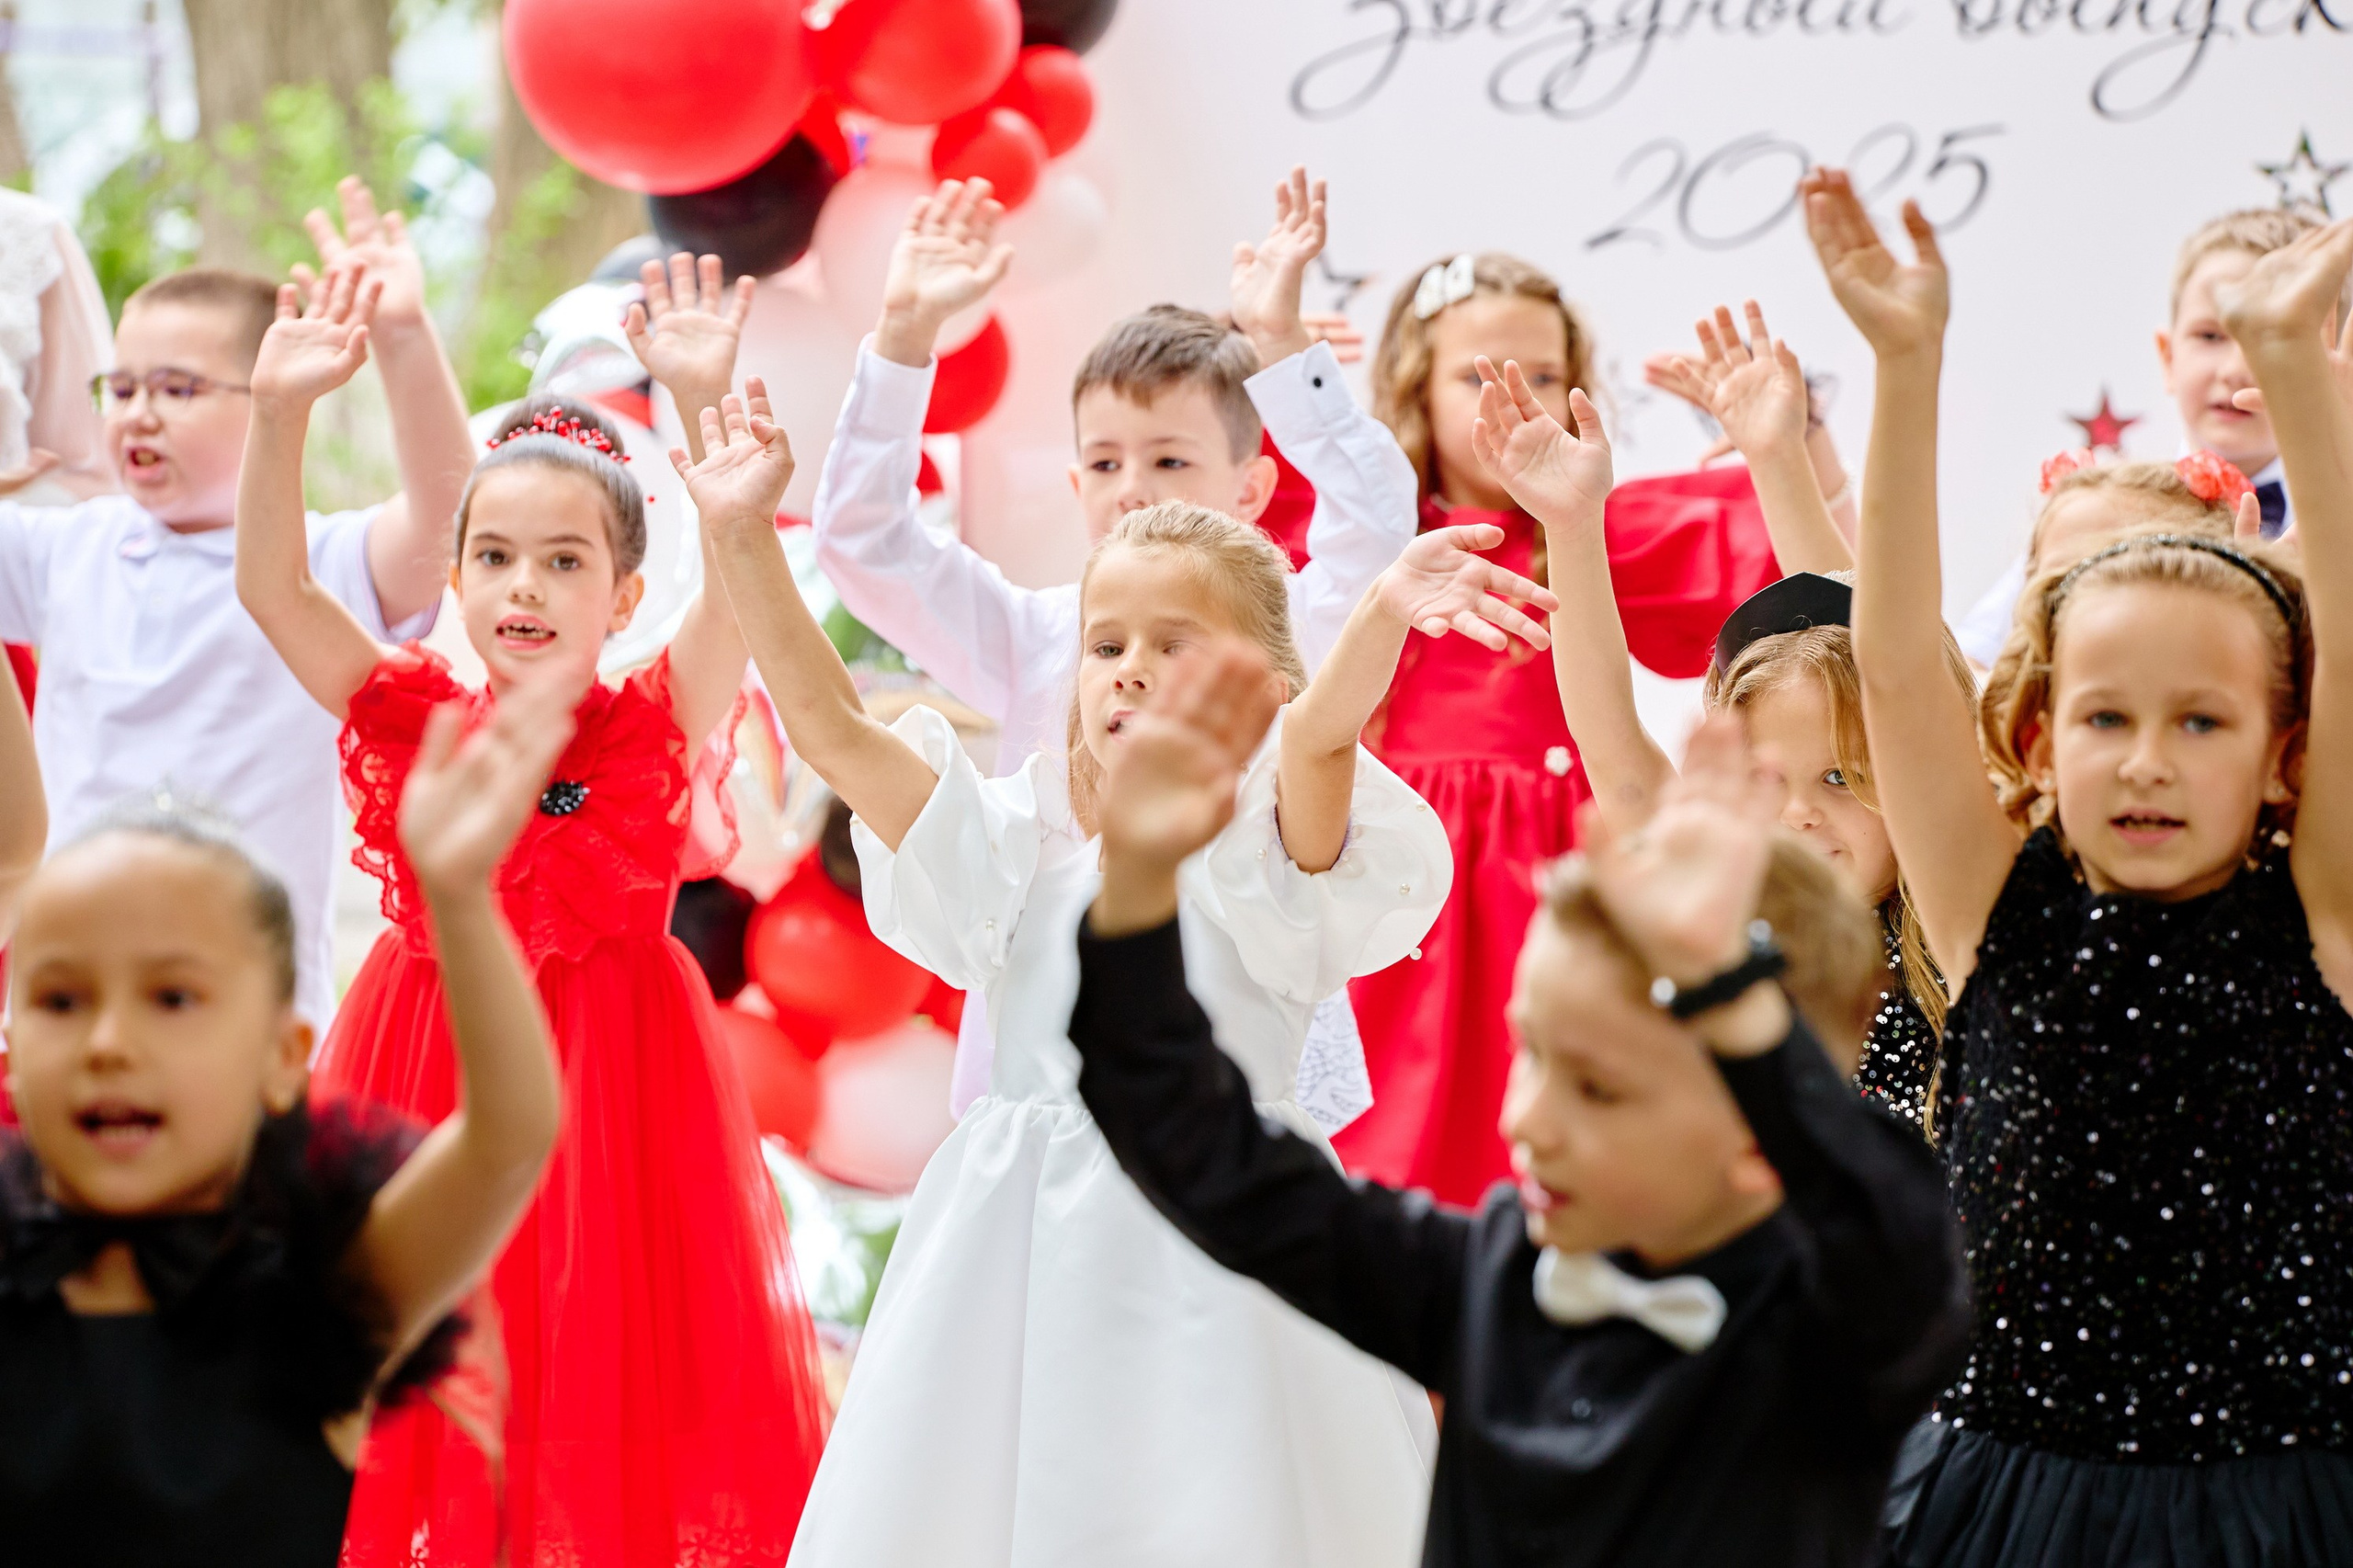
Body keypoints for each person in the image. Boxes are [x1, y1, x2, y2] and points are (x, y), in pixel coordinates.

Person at [687, 375, 1561, 1564]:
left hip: (1233, 1251)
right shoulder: (1009, 842)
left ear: (1259, 682)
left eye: (1176, 645)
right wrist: (740, 531)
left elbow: (1320, 734)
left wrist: (1383, 613)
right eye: (1107, 645)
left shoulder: (1277, 842)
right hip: (1020, 1265)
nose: (1131, 670)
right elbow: (835, 729)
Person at [1065, 639, 1968, 1568]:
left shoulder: (1841, 1318)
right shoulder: (1486, 1278)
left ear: (1759, 1128)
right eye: (1530, 1054)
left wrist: (1729, 991)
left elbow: (1897, 1229)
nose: (1523, 1121)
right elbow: (1202, 1151)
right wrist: (1137, 882)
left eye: (1598, 1087)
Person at [232, 263, 828, 1565]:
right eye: (495, 555)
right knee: (425, 1336)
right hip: (425, 1051)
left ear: (622, 595)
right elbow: (278, 592)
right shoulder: (409, 714)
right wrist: (276, 418)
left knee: (599, 1338)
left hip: (620, 1071)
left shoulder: (655, 720)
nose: (526, 585)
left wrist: (702, 405)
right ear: (453, 575)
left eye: (565, 562)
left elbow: (735, 607)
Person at [1803, 169, 2353, 1562]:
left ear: (2284, 752)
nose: (2150, 759)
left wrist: (2297, 372)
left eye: (2203, 720)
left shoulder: (2323, 919)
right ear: (2041, 735)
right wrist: (1905, 365)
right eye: (2108, 717)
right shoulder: (1996, 913)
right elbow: (1893, 660)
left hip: (2280, 1505)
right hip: (2018, 1503)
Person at [808, 170, 1416, 1119]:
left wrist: (1285, 350)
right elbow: (866, 542)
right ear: (1074, 478)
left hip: (1237, 1049)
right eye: (1104, 461)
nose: (1133, 486)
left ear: (1252, 489)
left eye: (1170, 458)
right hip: (1052, 1052)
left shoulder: (1290, 622)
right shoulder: (1031, 635)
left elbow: (1378, 531)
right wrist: (904, 338)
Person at [0, 665, 576, 1566]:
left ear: (281, 1055)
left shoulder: (327, 1290)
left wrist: (460, 899)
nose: (109, 1040)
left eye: (173, 997)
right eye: (62, 1000)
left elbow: (506, 1139)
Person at [1337, 253, 1788, 1205]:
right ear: (1415, 384)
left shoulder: (1596, 529)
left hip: (1549, 885)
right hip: (1403, 884)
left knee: (1545, 1123)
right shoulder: (1371, 536)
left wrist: (1792, 450)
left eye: (1543, 375)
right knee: (1388, 1140)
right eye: (1477, 374)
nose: (1515, 395)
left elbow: (1799, 566)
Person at [1472, 303, 1973, 1128]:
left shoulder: (1963, 914)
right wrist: (1569, 524)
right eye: (1772, 782)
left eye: (1843, 777)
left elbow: (1884, 661)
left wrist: (1779, 460)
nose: (1802, 814)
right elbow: (1611, 736)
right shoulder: (1730, 915)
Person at [0, 178, 470, 1033]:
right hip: (74, 992)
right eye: (124, 388)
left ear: (273, 393)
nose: (139, 415)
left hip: (249, 1001)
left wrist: (402, 336)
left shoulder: (324, 560)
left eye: (178, 390)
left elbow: (450, 516)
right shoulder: (67, 547)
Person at [1955, 205, 2332, 665]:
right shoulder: (2099, 513)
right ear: (2167, 356)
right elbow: (1974, 667)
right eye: (2210, 336)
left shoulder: (2342, 521)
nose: (2235, 369)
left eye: (2269, 338)